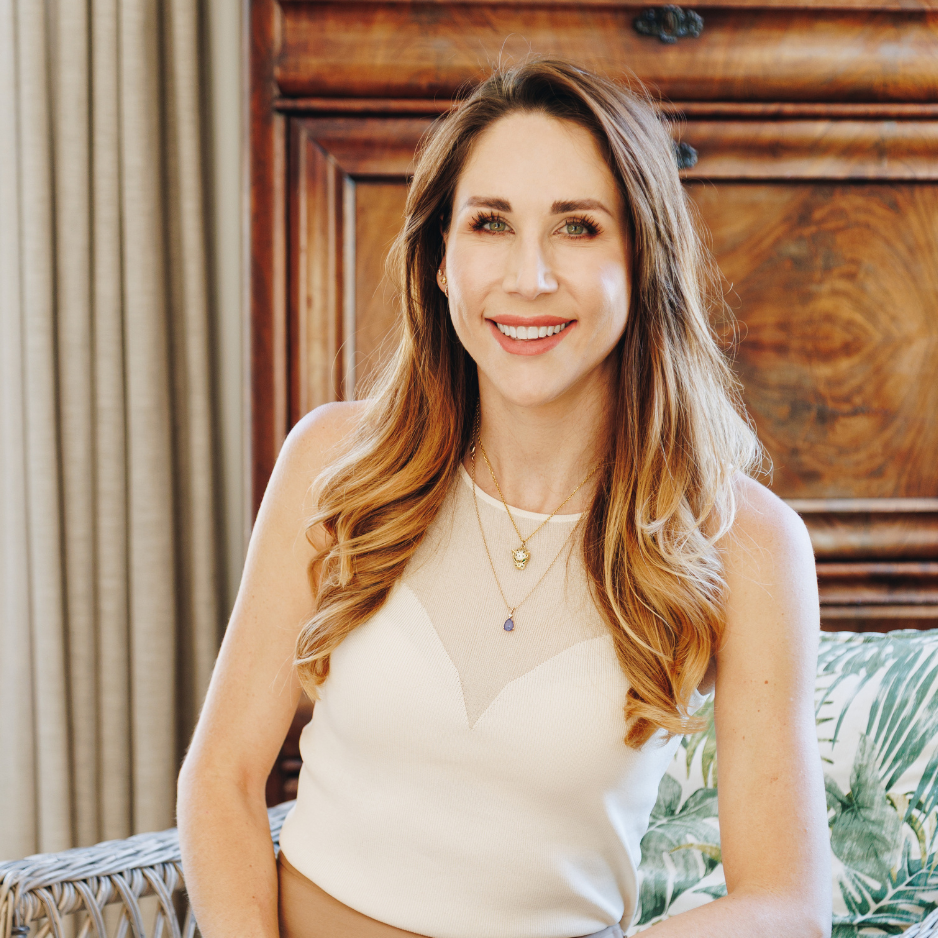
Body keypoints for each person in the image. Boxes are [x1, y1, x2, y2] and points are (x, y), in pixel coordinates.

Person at [177, 58, 831, 938]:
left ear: (642, 262)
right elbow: (219, 776)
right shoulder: (335, 462)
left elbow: (787, 905)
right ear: (442, 261)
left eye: (577, 227)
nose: (529, 276)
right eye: (490, 223)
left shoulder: (743, 543)